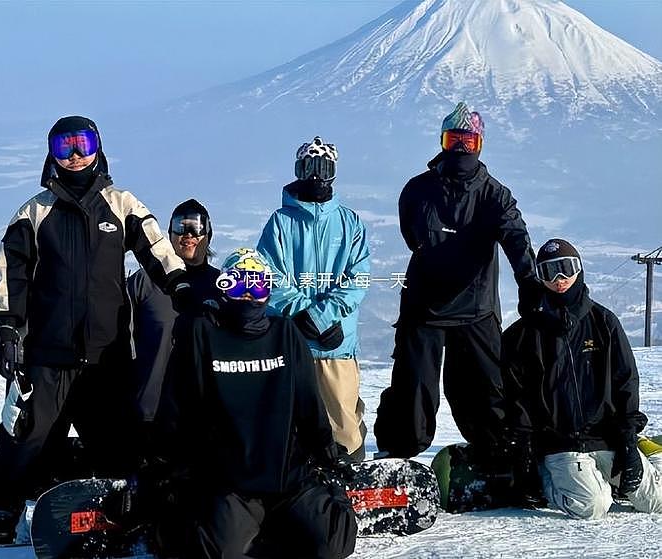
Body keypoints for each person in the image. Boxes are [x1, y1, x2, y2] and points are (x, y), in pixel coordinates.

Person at [0, 116, 188, 543]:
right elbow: (12, 276)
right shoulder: (35, 212)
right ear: (51, 153)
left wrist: (180, 285)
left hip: (106, 355)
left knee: (118, 446)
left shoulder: (121, 203)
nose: (74, 155)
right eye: (63, 146)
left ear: (99, 148)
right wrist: (7, 331)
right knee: (26, 434)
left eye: (83, 144)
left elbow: (156, 249)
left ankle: (125, 509)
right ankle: (4, 506)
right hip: (46, 355)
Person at [144, 248, 358, 558]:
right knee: (218, 551)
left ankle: (314, 505)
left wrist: (326, 452)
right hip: (228, 483)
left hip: (288, 477)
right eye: (238, 285)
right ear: (223, 288)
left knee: (331, 544)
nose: (248, 295)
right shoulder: (202, 333)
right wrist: (165, 464)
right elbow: (177, 405)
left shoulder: (285, 334)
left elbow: (309, 405)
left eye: (258, 285)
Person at [374, 101, 539, 459]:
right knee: (413, 387)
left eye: (469, 142)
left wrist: (529, 280)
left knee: (483, 390)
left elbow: (516, 235)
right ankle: (398, 453)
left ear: (480, 145)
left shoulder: (495, 194)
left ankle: (497, 454)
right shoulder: (417, 190)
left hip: (476, 309)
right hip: (424, 306)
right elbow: (413, 235)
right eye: (454, 141)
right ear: (442, 142)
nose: (461, 149)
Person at [502, 238, 662, 519]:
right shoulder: (524, 335)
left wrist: (627, 441)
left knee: (655, 502)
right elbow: (517, 399)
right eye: (550, 271)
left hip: (606, 437)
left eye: (566, 268)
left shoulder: (603, 322)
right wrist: (525, 453)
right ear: (540, 277)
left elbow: (626, 382)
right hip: (560, 444)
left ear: (579, 270)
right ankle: (554, 479)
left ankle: (637, 458)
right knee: (591, 506)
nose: (560, 279)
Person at [257, 136, 371, 462]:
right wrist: (302, 314)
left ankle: (351, 482)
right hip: (293, 342)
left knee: (343, 422)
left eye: (324, 168)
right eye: (309, 167)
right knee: (291, 423)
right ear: (298, 170)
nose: (317, 176)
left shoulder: (349, 223)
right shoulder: (281, 222)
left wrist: (323, 317)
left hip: (338, 344)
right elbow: (268, 275)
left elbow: (358, 278)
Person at [127, 198, 220, 439]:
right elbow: (122, 344)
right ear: (168, 235)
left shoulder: (222, 285)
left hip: (207, 409)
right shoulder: (143, 282)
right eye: (180, 227)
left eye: (196, 227)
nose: (188, 234)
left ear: (208, 234)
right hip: (151, 410)